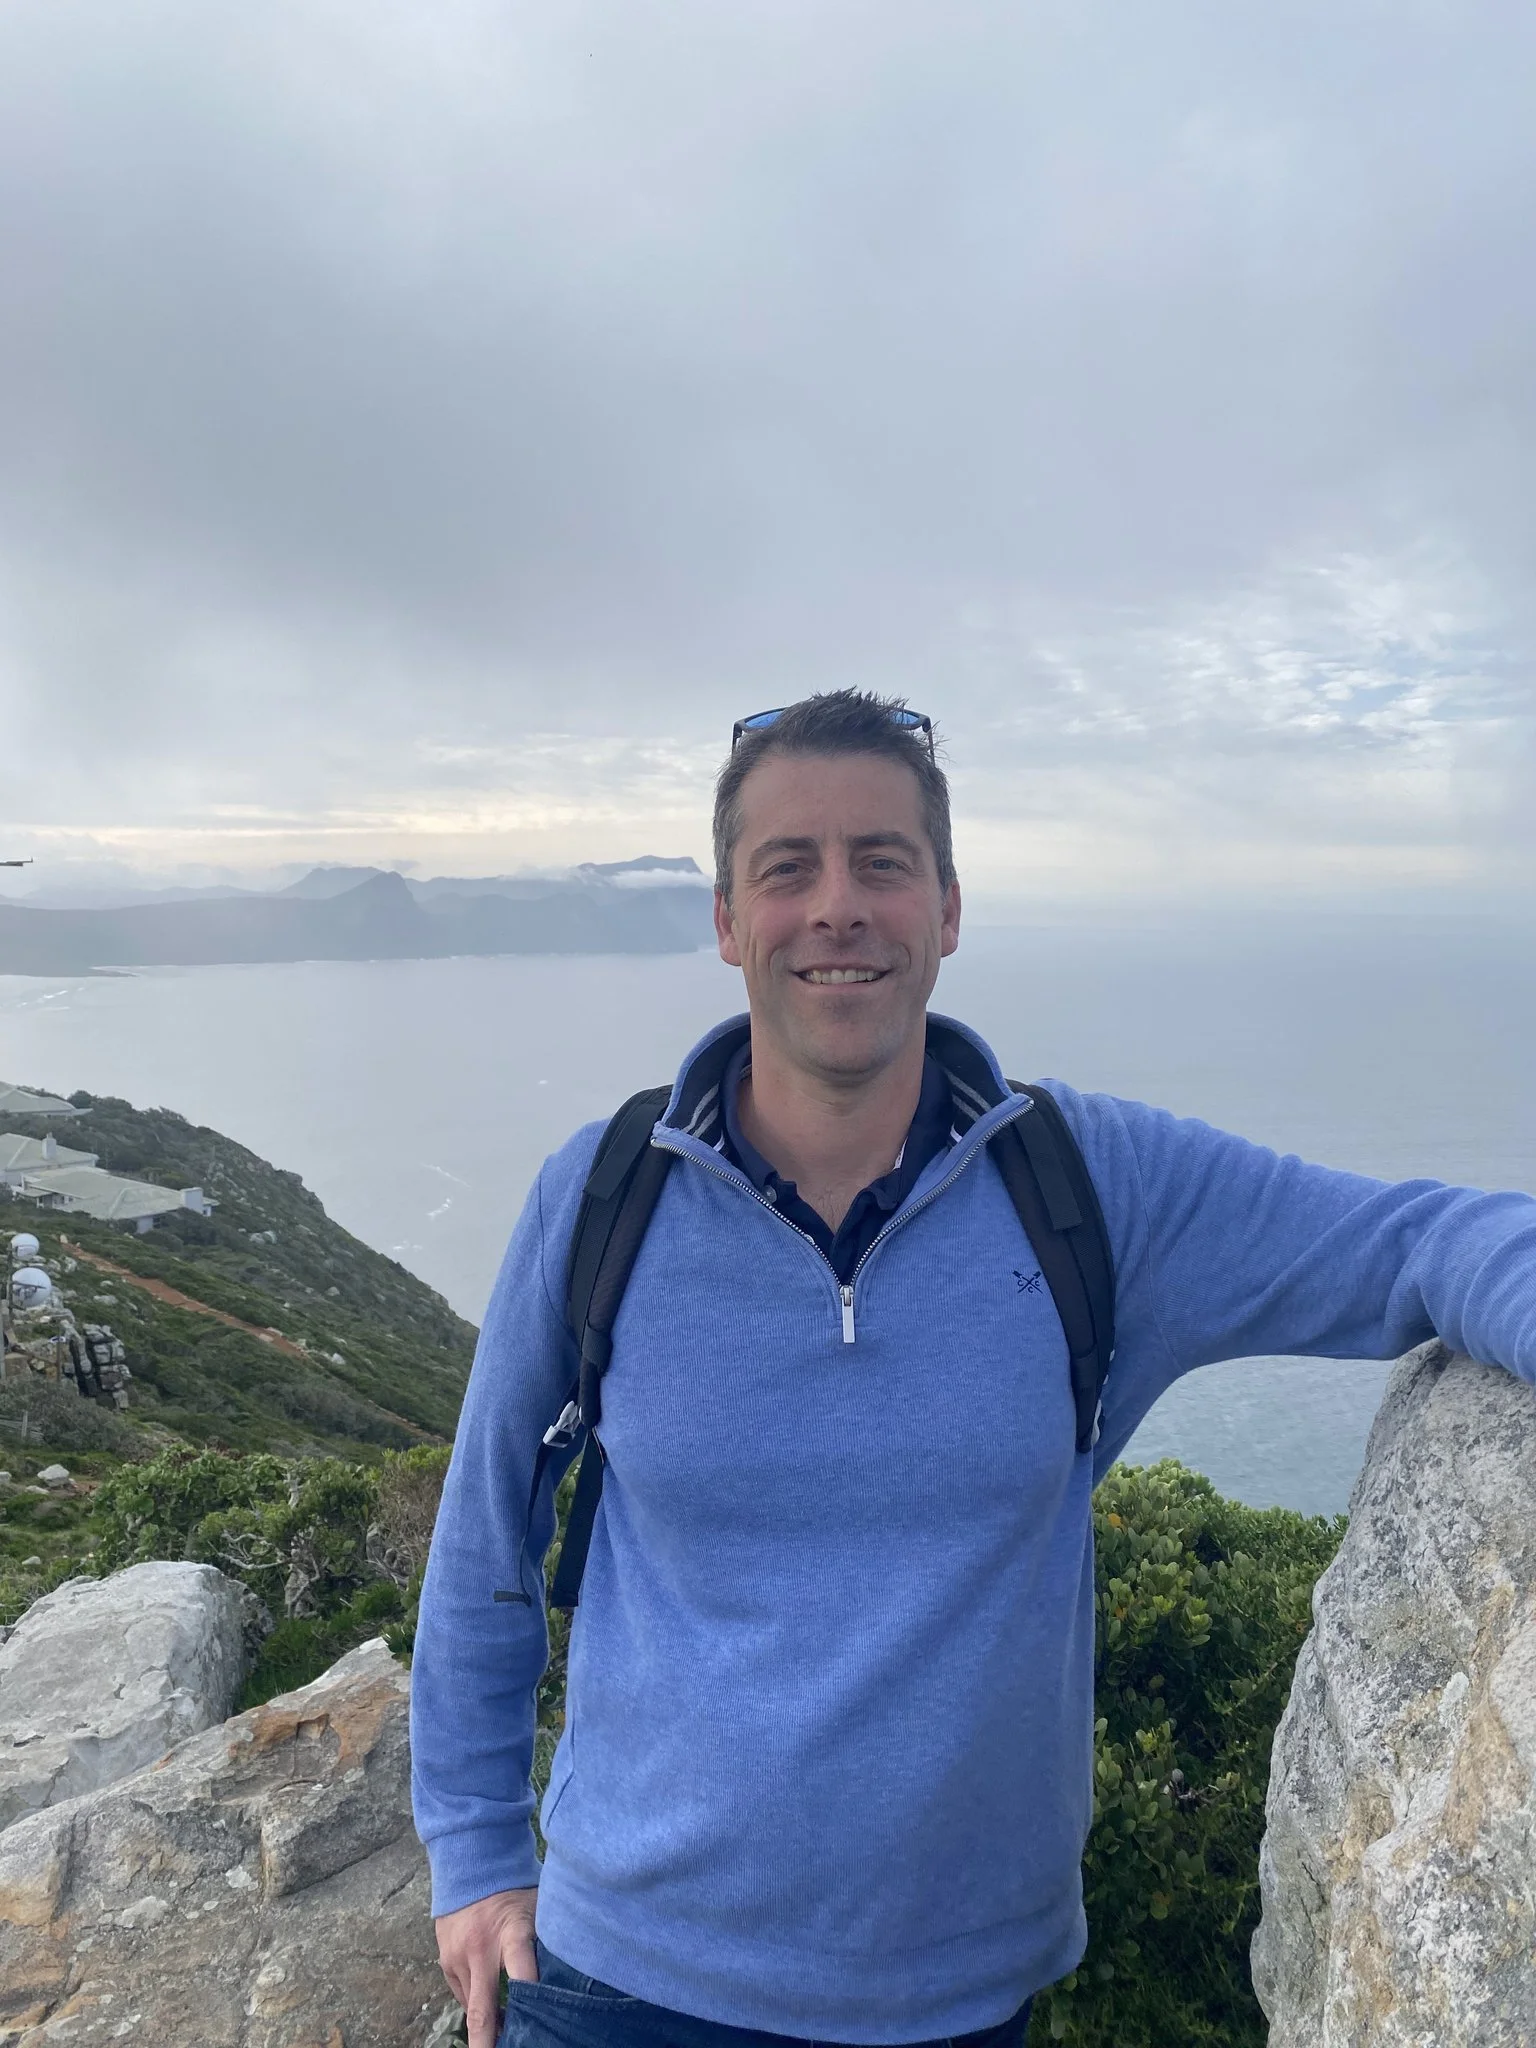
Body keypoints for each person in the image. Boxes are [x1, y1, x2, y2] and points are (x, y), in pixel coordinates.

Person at [411, 691, 1536, 2048]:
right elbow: (488, 1528)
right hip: (623, 1981)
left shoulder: (1089, 1187)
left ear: (947, 910)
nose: (839, 908)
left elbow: (1417, 1241)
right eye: (789, 868)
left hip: (951, 2003)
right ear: (726, 920)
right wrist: (473, 1849)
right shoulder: (605, 1197)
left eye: (882, 863)